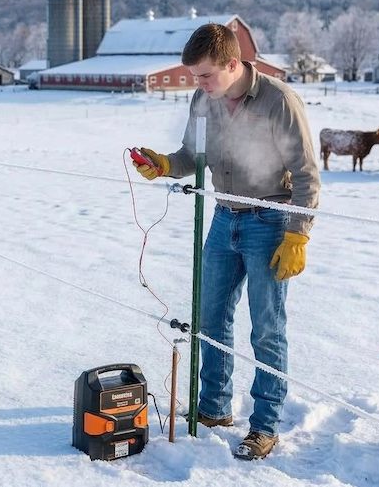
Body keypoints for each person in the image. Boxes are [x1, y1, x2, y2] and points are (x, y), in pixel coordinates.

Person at [131, 23, 320, 460]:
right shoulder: (204, 100)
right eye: (194, 77)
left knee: (267, 331)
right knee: (210, 319)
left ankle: (265, 426)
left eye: (205, 76)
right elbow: (191, 157)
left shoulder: (280, 101)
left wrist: (297, 234)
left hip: (270, 221)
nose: (198, 85)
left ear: (233, 64)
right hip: (223, 220)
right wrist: (164, 164)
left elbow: (308, 174)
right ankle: (214, 408)